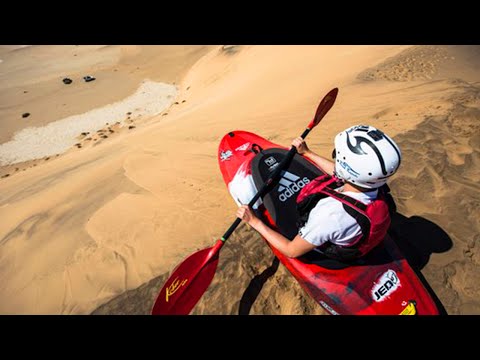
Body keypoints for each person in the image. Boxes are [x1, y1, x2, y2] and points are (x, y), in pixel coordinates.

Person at [236, 124, 402, 261]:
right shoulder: (375, 185)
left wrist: (254, 221)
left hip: (334, 249)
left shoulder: (330, 215)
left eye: (337, 155)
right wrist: (307, 153)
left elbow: (291, 250)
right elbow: (341, 174)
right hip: (359, 230)